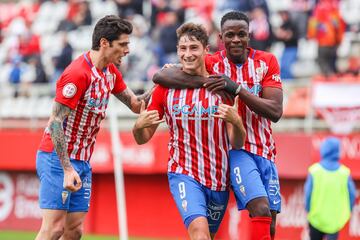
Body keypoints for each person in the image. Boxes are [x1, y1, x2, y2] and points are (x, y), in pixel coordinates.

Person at [153, 11, 283, 240]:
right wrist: (206, 82)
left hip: (266, 149)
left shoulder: (266, 62)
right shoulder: (214, 62)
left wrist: (236, 89)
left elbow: (275, 111)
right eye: (230, 35)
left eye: (241, 34)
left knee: (269, 222)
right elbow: (163, 76)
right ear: (221, 38)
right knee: (260, 208)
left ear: (249, 36)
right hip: (238, 149)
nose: (236, 40)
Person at [35, 15, 152, 240]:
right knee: (54, 229)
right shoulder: (77, 73)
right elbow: (55, 123)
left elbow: (137, 105)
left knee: (74, 231)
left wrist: (161, 83)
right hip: (58, 158)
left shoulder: (110, 72)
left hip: (82, 160)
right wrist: (67, 168)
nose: (128, 50)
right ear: (105, 43)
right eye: (123, 44)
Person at [132, 22, 246, 240]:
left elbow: (237, 142)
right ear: (177, 51)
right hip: (183, 173)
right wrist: (138, 126)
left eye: (193, 48)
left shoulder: (221, 87)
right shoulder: (165, 88)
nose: (187, 54)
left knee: (206, 236)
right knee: (200, 234)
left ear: (206, 50)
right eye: (182, 49)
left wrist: (237, 122)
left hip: (218, 178)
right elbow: (143, 138)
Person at [304, 137, 356, 240]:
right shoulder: (344, 173)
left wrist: (308, 210)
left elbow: (308, 194)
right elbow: (352, 195)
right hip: (335, 220)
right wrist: (347, 211)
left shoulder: (314, 171)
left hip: (316, 218)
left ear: (323, 150)